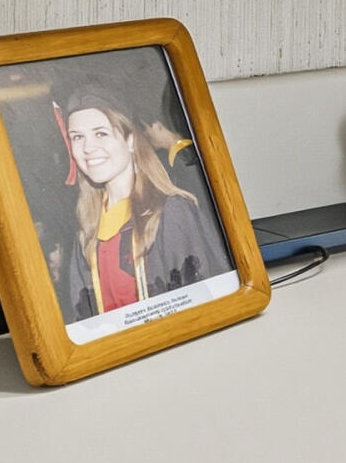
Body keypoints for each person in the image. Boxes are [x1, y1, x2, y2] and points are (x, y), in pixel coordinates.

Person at [53, 83, 229, 322]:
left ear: (130, 141)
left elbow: (204, 309)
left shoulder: (171, 213)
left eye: (101, 133)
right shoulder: (87, 234)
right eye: (77, 137)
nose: (88, 148)